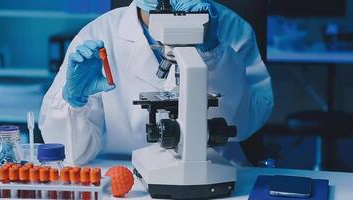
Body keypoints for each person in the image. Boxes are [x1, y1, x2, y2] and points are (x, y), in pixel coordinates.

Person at [39, 0, 274, 165]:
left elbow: (245, 123)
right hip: (122, 175)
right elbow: (69, 154)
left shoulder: (233, 28)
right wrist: (75, 101)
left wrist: (212, 54)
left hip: (213, 169)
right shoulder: (100, 33)